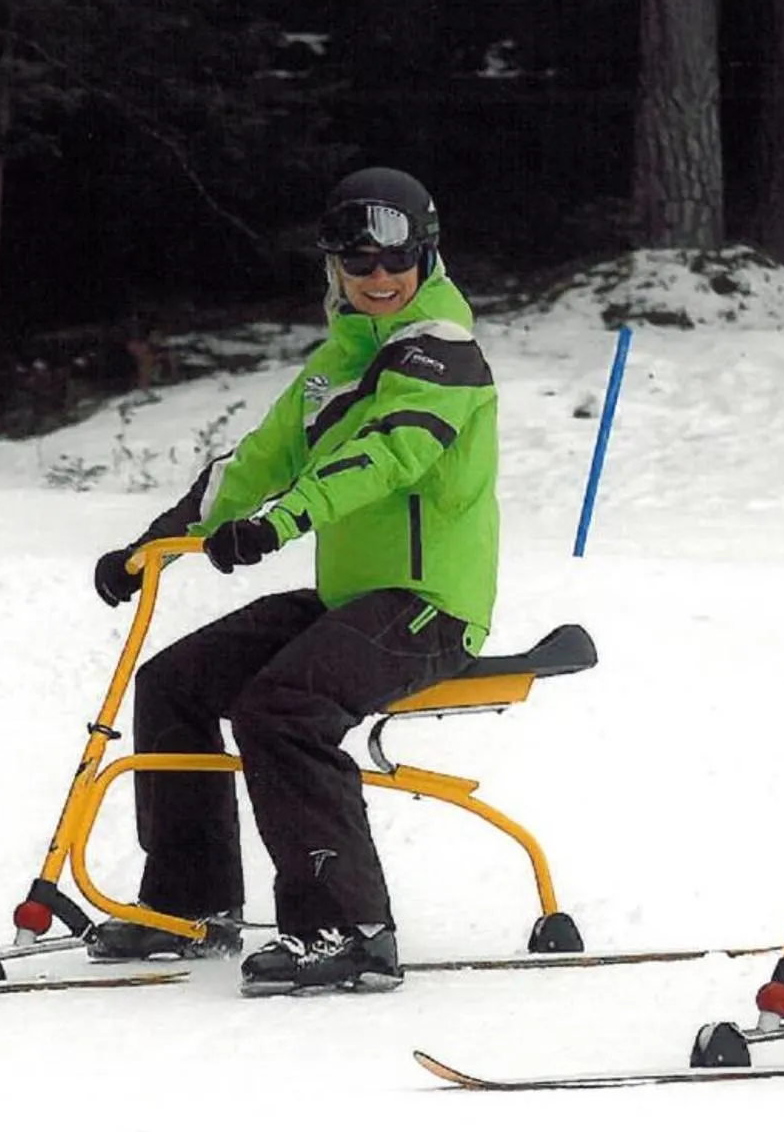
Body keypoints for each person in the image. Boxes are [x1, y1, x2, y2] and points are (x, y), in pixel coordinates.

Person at [86, 166, 498, 994]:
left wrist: (281, 520)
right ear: (336, 269)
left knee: (283, 709)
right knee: (175, 683)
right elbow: (254, 461)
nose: (379, 280)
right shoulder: (335, 366)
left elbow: (384, 456)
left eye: (396, 263)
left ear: (427, 257)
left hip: (429, 609)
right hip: (350, 600)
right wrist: (157, 540)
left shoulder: (442, 352)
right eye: (360, 265)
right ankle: (191, 902)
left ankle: (350, 928)